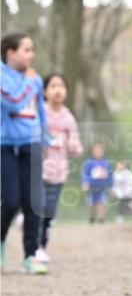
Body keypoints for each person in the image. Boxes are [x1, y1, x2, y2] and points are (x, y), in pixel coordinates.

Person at [0, 32, 49, 274]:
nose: (31, 55)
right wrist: (31, 82)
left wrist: (45, 139)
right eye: (26, 50)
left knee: (33, 202)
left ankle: (31, 254)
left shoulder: (35, 79)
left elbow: (39, 110)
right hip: (5, 146)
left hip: (32, 143)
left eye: (32, 50)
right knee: (10, 200)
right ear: (10, 53)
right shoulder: (3, 76)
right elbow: (14, 101)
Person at [35, 72, 83, 262]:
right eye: (53, 86)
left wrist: (72, 146)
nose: (58, 90)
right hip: (37, 170)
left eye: (61, 86)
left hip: (58, 172)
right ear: (44, 92)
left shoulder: (68, 118)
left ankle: (42, 248)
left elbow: (76, 147)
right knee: (38, 207)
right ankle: (34, 247)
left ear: (67, 92)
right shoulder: (40, 113)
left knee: (49, 213)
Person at [81, 143, 112, 223]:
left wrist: (110, 185)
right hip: (92, 186)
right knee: (92, 203)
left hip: (102, 186)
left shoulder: (106, 162)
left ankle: (101, 218)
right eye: (95, 151)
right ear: (92, 152)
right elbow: (84, 174)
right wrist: (85, 183)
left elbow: (109, 174)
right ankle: (92, 217)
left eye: (99, 151)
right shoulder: (88, 163)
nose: (98, 152)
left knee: (101, 202)